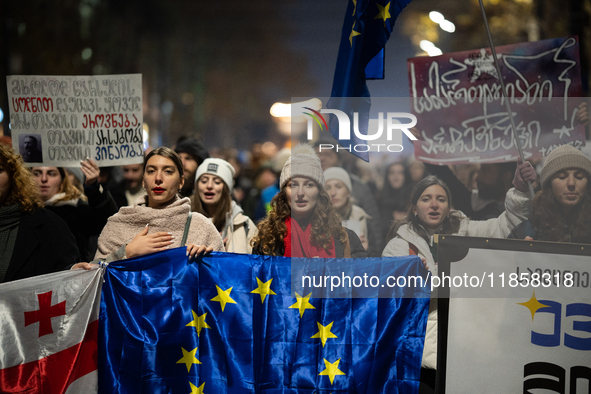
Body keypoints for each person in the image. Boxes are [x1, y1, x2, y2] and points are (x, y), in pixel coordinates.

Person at [382, 161, 536, 393]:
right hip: (417, 356)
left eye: (441, 199)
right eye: (426, 199)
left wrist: (519, 191)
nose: (434, 204)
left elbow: (506, 225)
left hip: (464, 351)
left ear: (449, 206)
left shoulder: (465, 232)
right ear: (414, 208)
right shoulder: (398, 247)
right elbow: (391, 301)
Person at [93, 147, 224, 263]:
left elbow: (224, 278)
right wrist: (127, 252)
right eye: (151, 171)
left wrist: (207, 261)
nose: (158, 178)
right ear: (143, 181)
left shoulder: (201, 227)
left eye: (168, 171)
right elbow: (93, 275)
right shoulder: (118, 224)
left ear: (181, 181)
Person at [251, 145, 367, 258]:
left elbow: (361, 276)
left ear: (320, 192)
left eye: (309, 185)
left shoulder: (344, 238)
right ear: (284, 193)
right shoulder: (267, 240)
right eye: (293, 185)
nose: (300, 193)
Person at [0, 144, 79, 283]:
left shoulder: (48, 224)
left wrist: (72, 271)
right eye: (38, 173)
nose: (44, 179)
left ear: (13, 177)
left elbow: (62, 274)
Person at [31, 160, 119, 261]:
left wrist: (93, 187)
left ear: (62, 180)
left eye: (51, 174)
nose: (44, 179)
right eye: (37, 173)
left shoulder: (76, 210)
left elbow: (107, 222)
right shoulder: (21, 211)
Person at [509, 144, 591, 243]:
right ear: (549, 185)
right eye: (562, 176)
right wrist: (524, 255)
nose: (571, 183)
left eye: (579, 177)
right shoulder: (530, 230)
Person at [192, 158, 258, 254]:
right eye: (204, 181)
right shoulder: (184, 221)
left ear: (227, 189)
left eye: (217, 182)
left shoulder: (244, 224)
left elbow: (256, 265)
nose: (209, 185)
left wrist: (223, 257)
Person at [324, 166, 378, 256]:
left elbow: (375, 255)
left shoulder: (362, 218)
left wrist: (365, 250)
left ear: (348, 192)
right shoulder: (318, 220)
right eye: (327, 188)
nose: (333, 193)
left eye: (338, 186)